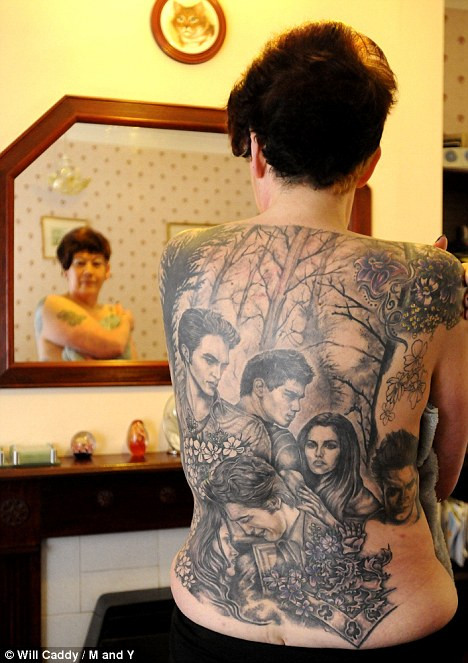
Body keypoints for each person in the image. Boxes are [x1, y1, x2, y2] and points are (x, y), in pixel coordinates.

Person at [160, 20, 468, 662]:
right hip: (387, 631)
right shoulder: (432, 276)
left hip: (215, 629)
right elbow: (445, 465)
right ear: (370, 161)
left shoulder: (182, 258)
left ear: (257, 150)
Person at [35, 227, 137, 360]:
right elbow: (113, 345)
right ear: (65, 272)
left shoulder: (114, 313)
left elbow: (132, 365)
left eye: (96, 263)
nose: (88, 271)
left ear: (107, 271)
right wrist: (127, 321)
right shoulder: (51, 305)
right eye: (80, 263)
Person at [238, 349, 314, 490]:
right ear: (259, 387)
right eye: (290, 395)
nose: (297, 407)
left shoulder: (212, 419)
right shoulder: (282, 443)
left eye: (299, 398)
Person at [297, 412, 380, 527]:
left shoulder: (364, 503)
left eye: (330, 446)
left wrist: (326, 516)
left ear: (345, 451)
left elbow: (368, 537)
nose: (318, 453)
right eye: (312, 445)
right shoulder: (301, 486)